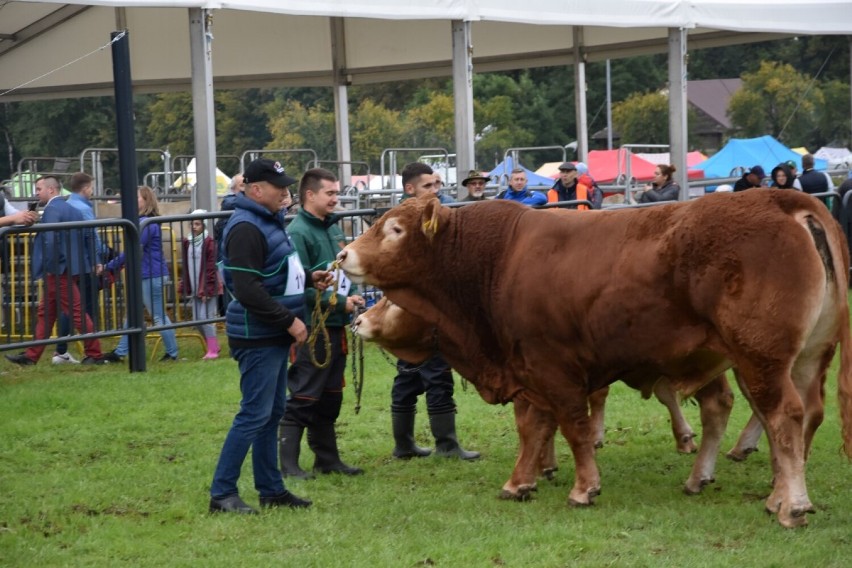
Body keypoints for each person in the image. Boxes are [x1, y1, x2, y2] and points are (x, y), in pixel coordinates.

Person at [209, 158, 330, 514]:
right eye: (280, 188)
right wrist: (288, 322)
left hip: (269, 333)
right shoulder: (246, 227)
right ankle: (222, 493)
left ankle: (271, 489)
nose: (287, 194)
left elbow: (276, 271)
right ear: (256, 189)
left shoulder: (267, 222)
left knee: (271, 412)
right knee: (254, 414)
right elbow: (247, 288)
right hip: (258, 334)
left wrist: (310, 278)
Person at [390, 162, 479, 461]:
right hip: (421, 308)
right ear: (410, 189)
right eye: (428, 186)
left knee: (409, 374)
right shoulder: (403, 221)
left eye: (437, 185)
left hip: (417, 305)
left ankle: (405, 445)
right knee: (434, 373)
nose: (435, 191)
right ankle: (445, 444)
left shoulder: (432, 216)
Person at [279, 167, 365, 479]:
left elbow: (343, 271)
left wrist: (353, 295)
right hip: (313, 328)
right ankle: (288, 464)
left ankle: (327, 459)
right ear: (310, 195)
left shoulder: (333, 228)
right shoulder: (299, 233)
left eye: (336, 192)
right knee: (304, 395)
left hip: (335, 326)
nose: (335, 198)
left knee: (331, 396)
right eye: (330, 193)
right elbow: (297, 287)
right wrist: (343, 302)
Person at [5, 176, 106, 366]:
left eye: (39, 189)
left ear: (51, 190)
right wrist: (94, 260)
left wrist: (50, 265)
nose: (36, 193)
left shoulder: (51, 210)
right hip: (70, 268)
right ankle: (31, 355)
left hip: (58, 270)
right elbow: (88, 236)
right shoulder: (73, 209)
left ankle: (95, 354)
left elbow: (50, 241)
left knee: (76, 312)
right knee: (47, 312)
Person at [102, 186, 180, 363]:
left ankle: (172, 352)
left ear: (146, 200)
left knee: (158, 315)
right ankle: (121, 352)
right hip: (147, 273)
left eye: (136, 197)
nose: (133, 200)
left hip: (151, 275)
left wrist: (110, 265)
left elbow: (133, 249)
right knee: (133, 314)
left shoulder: (146, 223)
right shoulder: (145, 222)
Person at [53, 172, 109, 365]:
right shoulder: (84, 209)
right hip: (85, 264)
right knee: (86, 309)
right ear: (85, 188)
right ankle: (91, 353)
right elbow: (92, 237)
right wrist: (101, 257)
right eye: (91, 187)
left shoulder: (67, 205)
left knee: (69, 308)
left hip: (69, 264)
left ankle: (60, 350)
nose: (92, 191)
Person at [180, 209, 222, 360]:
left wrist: (207, 289)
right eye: (191, 223)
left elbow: (210, 267)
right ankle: (213, 344)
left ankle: (212, 350)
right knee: (197, 320)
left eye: (197, 223)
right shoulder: (187, 242)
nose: (194, 226)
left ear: (203, 225)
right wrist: (185, 285)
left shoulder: (209, 243)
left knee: (207, 318)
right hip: (196, 286)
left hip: (208, 286)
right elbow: (186, 265)